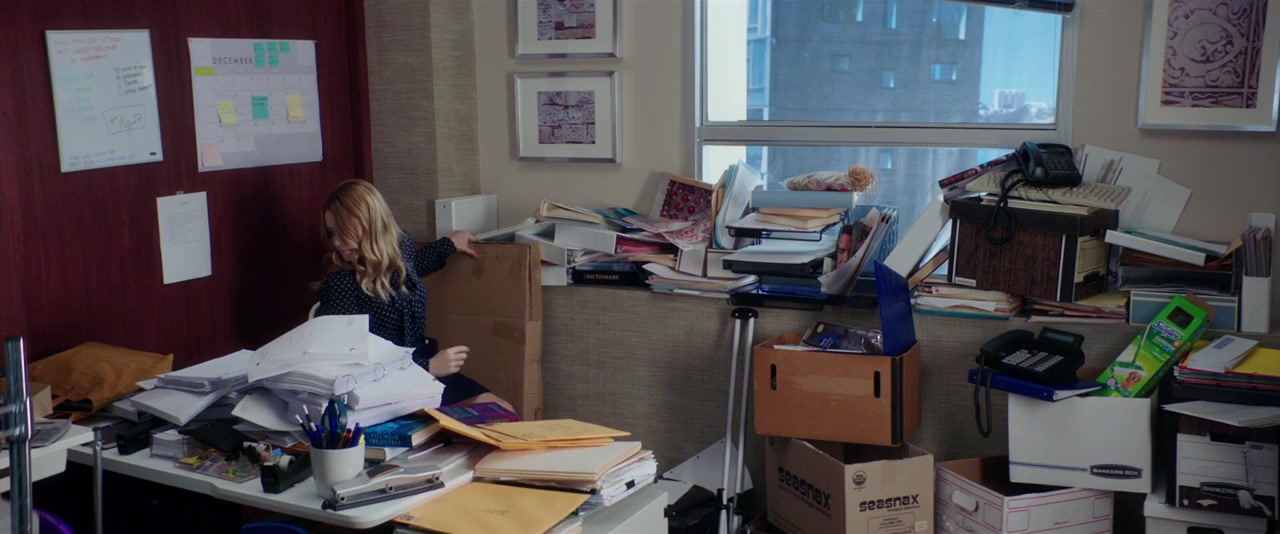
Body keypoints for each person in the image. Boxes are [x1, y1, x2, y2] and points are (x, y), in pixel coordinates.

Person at [314, 179, 512, 410]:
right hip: (385, 388)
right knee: (487, 417)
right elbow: (351, 369)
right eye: (332, 233)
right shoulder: (340, 285)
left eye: (344, 230)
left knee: (502, 409)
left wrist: (449, 244)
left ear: (372, 223)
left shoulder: (401, 250)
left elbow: (411, 270)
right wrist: (429, 367)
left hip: (422, 366)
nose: (337, 242)